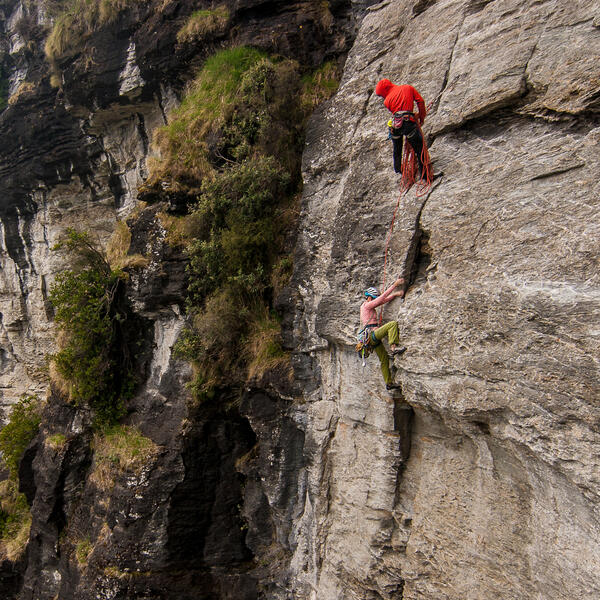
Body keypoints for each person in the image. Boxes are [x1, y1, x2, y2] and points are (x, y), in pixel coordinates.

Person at [375, 79, 428, 179]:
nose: (383, 97)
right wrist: (421, 116)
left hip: (395, 125)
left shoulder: (387, 101)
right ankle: (425, 176)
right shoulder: (408, 88)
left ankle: (399, 170)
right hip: (407, 123)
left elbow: (398, 111)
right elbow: (420, 101)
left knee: (397, 149)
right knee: (420, 149)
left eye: (382, 94)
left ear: (386, 89)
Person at [360, 278, 406, 390]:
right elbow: (381, 299)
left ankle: (388, 383)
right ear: (369, 297)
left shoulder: (366, 306)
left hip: (369, 339)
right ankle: (393, 347)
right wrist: (394, 285)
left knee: (384, 359)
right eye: (373, 299)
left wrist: (395, 295)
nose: (374, 300)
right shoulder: (366, 305)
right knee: (392, 324)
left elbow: (382, 301)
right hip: (372, 334)